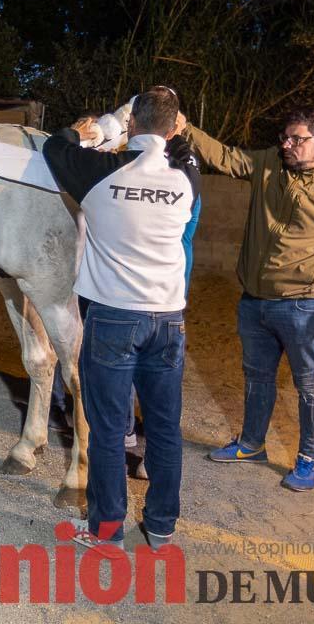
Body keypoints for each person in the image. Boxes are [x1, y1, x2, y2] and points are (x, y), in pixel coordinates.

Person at [180, 104, 314, 491]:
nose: (287, 144)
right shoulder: (270, 163)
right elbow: (225, 157)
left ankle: (308, 461)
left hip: (308, 305)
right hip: (255, 299)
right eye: (285, 137)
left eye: (297, 139)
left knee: (310, 386)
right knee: (257, 378)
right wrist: (185, 128)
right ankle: (252, 444)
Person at [43, 87, 200, 551]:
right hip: (168, 319)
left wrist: (83, 129)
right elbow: (186, 153)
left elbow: (56, 147)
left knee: (110, 430)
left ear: (130, 125)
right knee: (165, 428)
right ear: (173, 131)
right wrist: (180, 137)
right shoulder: (187, 179)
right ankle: (160, 525)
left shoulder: (99, 174)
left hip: (113, 317)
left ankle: (107, 527)